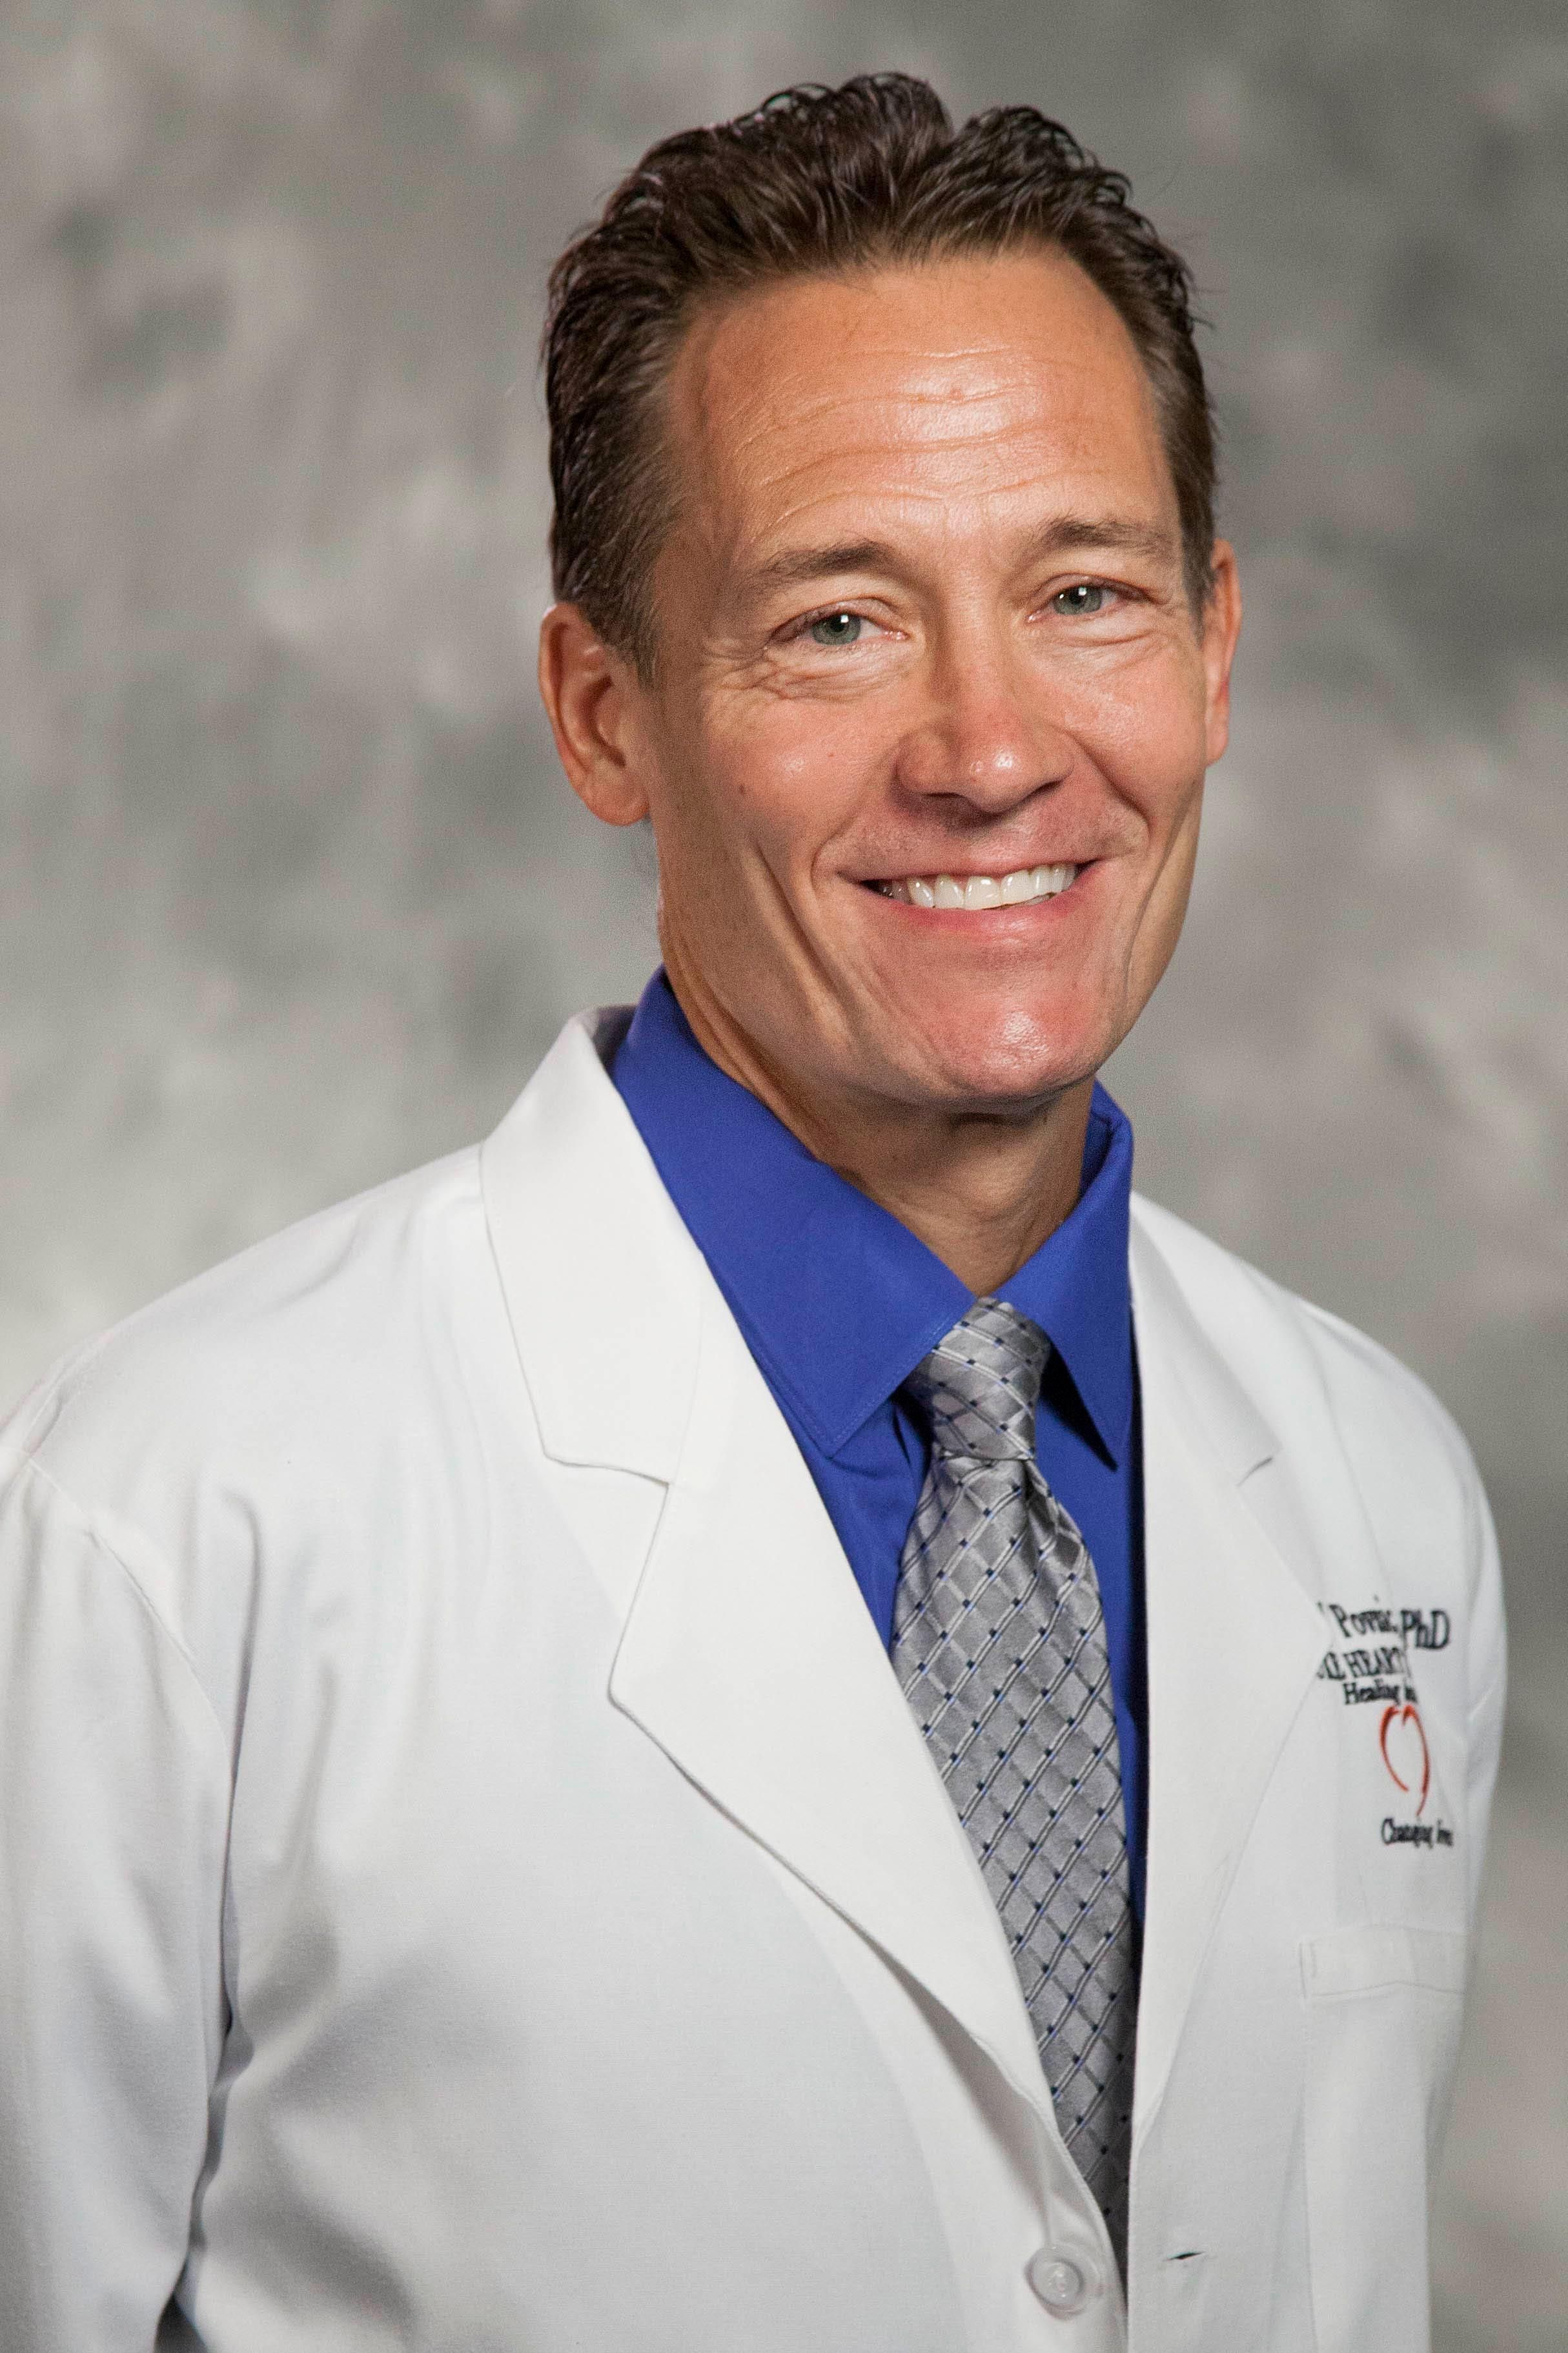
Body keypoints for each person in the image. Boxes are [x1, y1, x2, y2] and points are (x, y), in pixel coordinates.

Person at [0, 74, 1503, 2353]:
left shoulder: (1383, 1493)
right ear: (604, 713)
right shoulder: (173, 1526)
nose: (991, 748)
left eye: (1083, 593)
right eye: (837, 623)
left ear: (1212, 650)